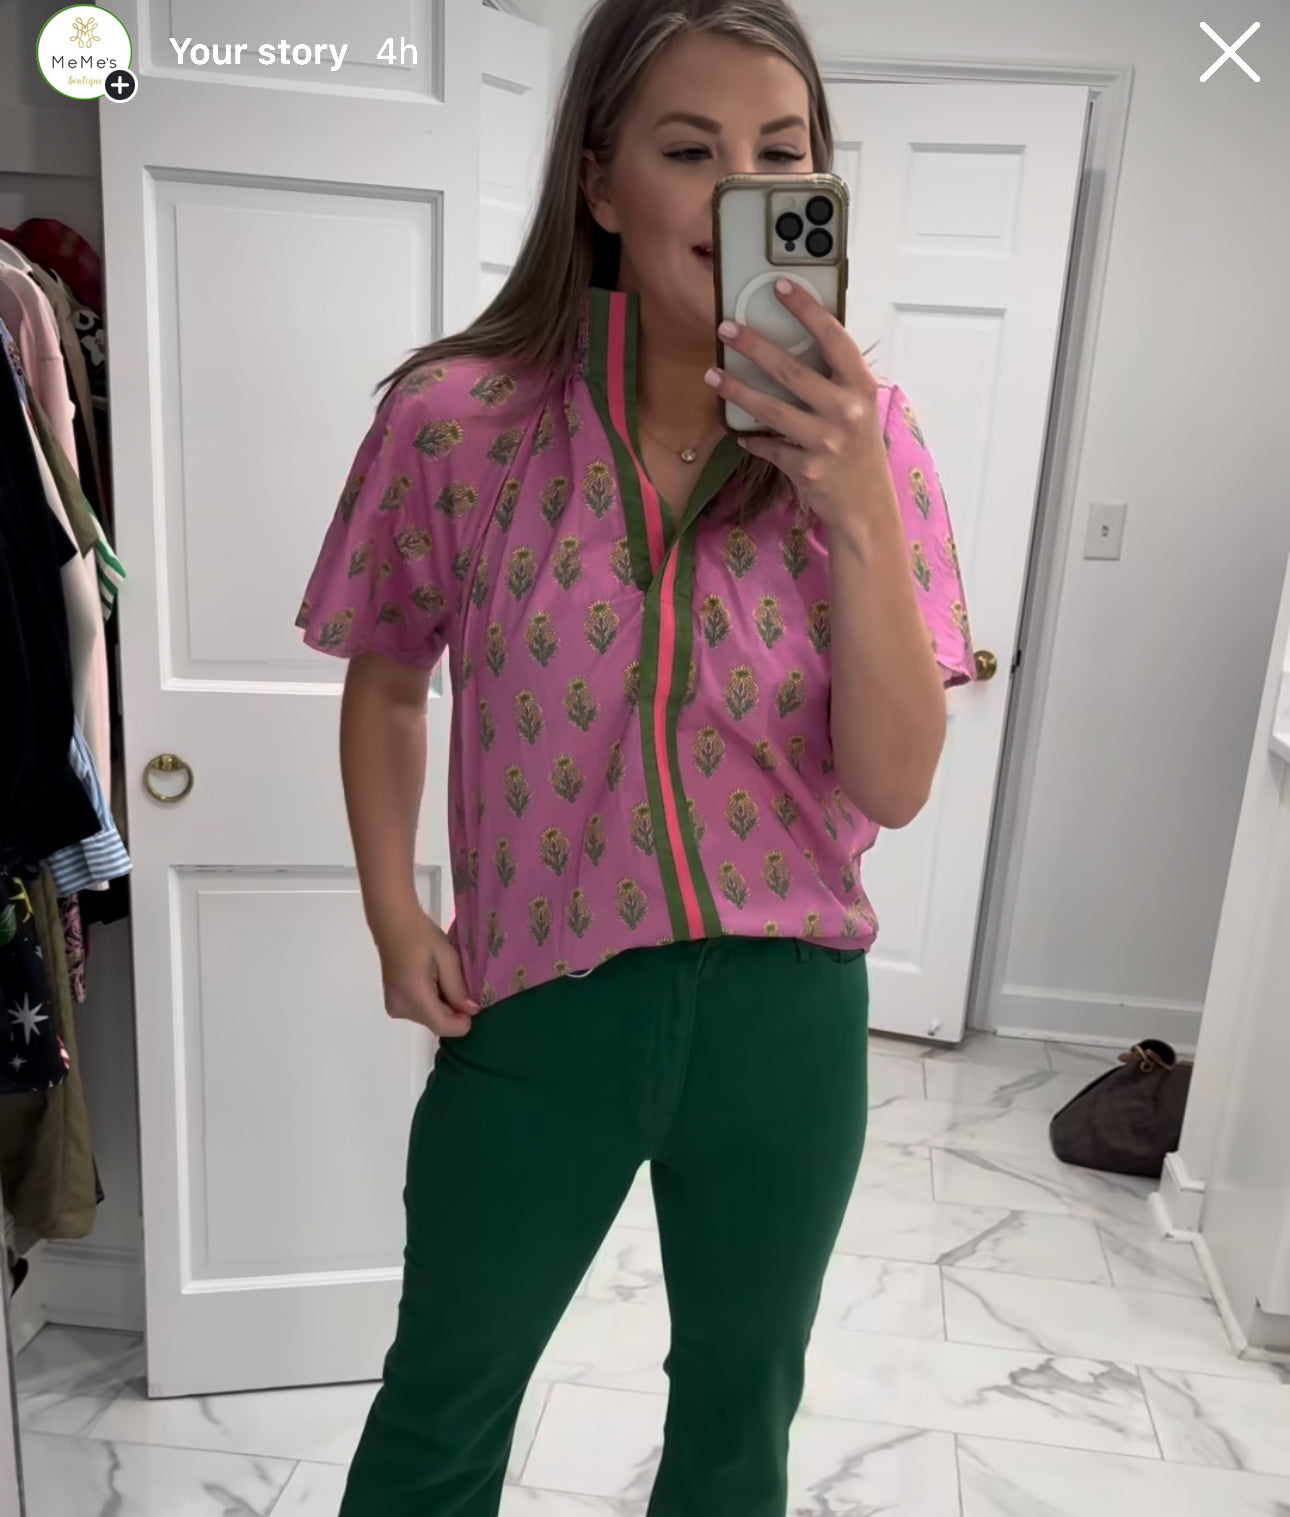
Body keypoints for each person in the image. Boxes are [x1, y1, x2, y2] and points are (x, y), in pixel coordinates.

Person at [296, 0, 975, 1511]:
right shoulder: (457, 423)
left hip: (786, 1023)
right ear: (599, 183)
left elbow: (894, 782)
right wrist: (394, 912)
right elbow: (388, 675)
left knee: (738, 1425)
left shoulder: (877, 442)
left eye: (779, 154)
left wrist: (855, 500)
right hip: (540, 1007)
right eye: (689, 151)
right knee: (440, 1405)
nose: (740, 190)